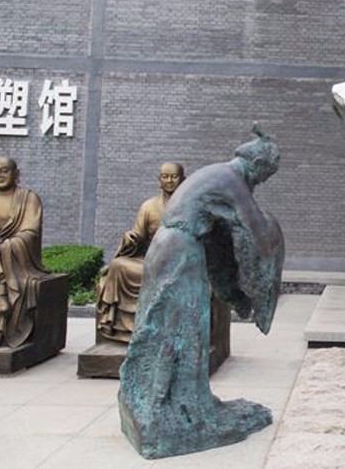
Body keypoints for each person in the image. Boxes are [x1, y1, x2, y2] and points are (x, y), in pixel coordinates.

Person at [119, 127, 283, 459]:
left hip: (168, 250)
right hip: (180, 253)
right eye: (263, 176)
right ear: (256, 165)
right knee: (182, 332)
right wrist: (262, 290)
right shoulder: (231, 181)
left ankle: (166, 403)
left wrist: (234, 291)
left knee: (167, 328)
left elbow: (223, 240)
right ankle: (172, 409)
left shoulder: (216, 175)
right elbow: (254, 233)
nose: (260, 183)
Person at [96, 162, 185, 342]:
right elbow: (139, 236)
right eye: (165, 176)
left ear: (183, 179)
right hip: (149, 260)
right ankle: (120, 329)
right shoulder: (149, 206)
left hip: (179, 262)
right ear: (159, 180)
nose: (169, 181)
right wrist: (130, 238)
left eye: (174, 177)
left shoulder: (191, 205)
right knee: (117, 265)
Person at [0, 156, 50, 349]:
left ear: (16, 174)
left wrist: (2, 248)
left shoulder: (28, 198)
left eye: (4, 171)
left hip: (17, 256)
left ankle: (0, 295)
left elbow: (30, 233)